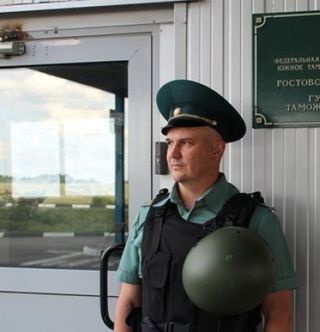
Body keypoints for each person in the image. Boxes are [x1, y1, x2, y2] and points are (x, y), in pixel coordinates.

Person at [114, 79, 298, 332]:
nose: (174, 153)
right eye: (170, 143)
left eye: (187, 143)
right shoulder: (150, 215)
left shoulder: (255, 219)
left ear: (216, 151)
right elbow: (129, 300)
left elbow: (279, 313)